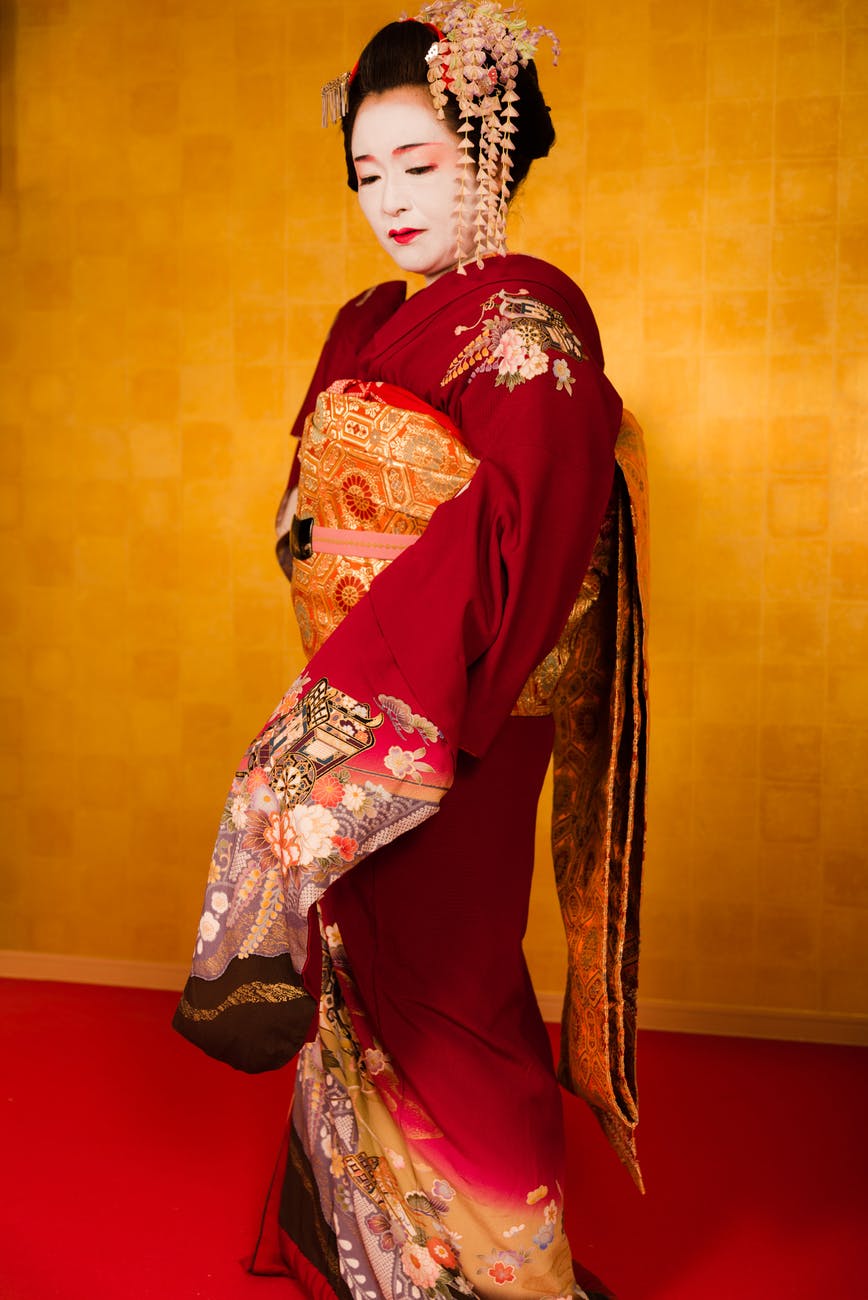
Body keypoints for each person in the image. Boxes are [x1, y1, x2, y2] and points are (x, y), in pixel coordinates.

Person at [174, 5, 649, 1299]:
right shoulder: (366, 318)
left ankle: (501, 1278)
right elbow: (309, 511)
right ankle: (373, 1255)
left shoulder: (532, 329)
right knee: (359, 980)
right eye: (367, 172)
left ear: (488, 157)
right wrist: (322, 555)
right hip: (369, 668)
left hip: (458, 709)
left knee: (449, 994)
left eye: (420, 166)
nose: (387, 200)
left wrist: (337, 729)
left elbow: (513, 546)